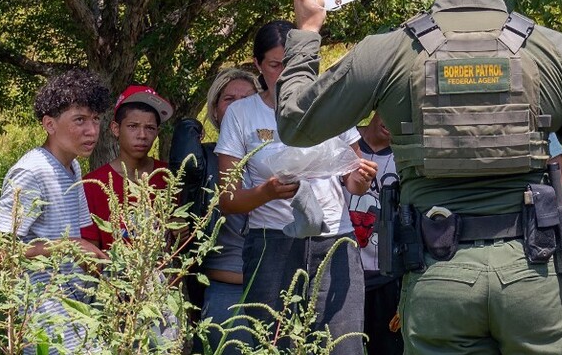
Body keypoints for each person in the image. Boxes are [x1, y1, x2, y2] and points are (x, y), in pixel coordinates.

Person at [276, 0, 562, 354]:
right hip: (538, 278)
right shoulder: (555, 53)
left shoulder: (390, 52)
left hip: (435, 276)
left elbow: (295, 122)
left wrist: (307, 31)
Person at [215, 20, 378, 355]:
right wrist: (268, 192)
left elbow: (354, 181)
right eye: (276, 66)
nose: (285, 74)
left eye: (293, 65)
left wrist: (361, 178)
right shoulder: (241, 115)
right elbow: (228, 200)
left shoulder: (329, 105)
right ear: (259, 66)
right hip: (271, 242)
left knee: (343, 346)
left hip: (335, 239)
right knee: (271, 344)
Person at [0, 68, 111, 354]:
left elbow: (78, 243)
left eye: (96, 119)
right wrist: (65, 246)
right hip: (45, 321)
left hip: (73, 312)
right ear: (49, 124)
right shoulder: (32, 171)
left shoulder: (72, 166)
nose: (91, 130)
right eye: (79, 120)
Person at [169, 68, 259, 354]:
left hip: (277, 287)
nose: (239, 105)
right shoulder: (200, 159)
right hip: (224, 291)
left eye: (247, 97)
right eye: (229, 99)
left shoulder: (279, 152)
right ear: (215, 111)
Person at [81, 85, 174, 250]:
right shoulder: (92, 185)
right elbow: (89, 254)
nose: (142, 135)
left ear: (157, 132)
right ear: (116, 129)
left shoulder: (171, 178)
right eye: (133, 126)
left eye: (150, 128)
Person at [346, 113, 403, 355]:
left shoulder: (407, 156)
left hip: (388, 277)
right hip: (343, 272)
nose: (392, 122)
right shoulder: (344, 141)